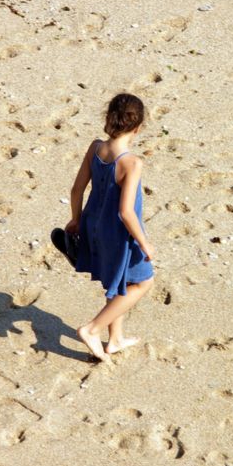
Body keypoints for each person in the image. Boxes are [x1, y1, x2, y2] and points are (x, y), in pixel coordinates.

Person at [66, 93, 155, 363]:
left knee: (119, 282)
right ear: (138, 127)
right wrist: (144, 243)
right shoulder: (131, 163)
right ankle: (92, 329)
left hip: (93, 226)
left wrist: (75, 219)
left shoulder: (96, 149)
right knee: (144, 282)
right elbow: (126, 212)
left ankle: (115, 340)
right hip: (118, 234)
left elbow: (76, 190)